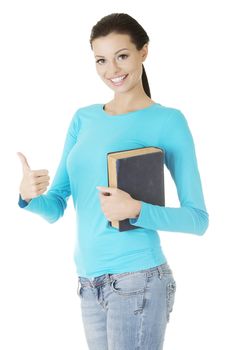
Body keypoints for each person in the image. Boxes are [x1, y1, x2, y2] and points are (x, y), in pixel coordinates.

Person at [17, 12, 209, 350]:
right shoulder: (83, 118)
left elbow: (198, 219)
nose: (112, 70)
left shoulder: (167, 121)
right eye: (101, 60)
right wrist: (29, 197)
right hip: (89, 283)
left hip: (139, 280)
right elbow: (57, 205)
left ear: (143, 52)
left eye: (122, 56)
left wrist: (136, 209)